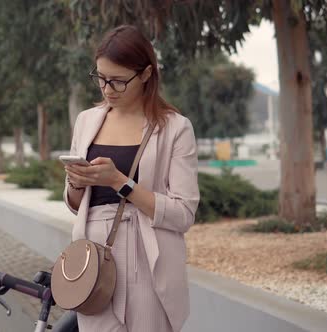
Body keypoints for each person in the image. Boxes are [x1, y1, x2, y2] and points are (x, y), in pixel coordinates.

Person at [63, 25, 200, 332]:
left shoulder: (175, 128)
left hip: (149, 256)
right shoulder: (86, 121)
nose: (107, 89)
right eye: (100, 78)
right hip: (94, 258)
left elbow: (183, 214)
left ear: (147, 74)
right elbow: (75, 206)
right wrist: (76, 183)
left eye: (118, 81)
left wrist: (119, 181)